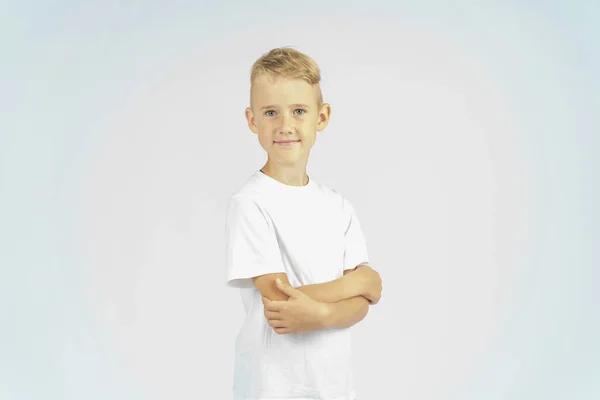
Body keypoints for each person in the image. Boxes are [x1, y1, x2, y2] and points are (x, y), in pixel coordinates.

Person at [225, 47, 383, 400]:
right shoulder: (250, 203)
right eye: (270, 112)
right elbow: (279, 301)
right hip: (272, 386)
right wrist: (357, 282)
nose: (285, 126)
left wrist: (323, 313)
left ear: (321, 117)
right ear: (252, 120)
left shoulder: (338, 206)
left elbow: (366, 300)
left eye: (299, 111)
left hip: (333, 385)